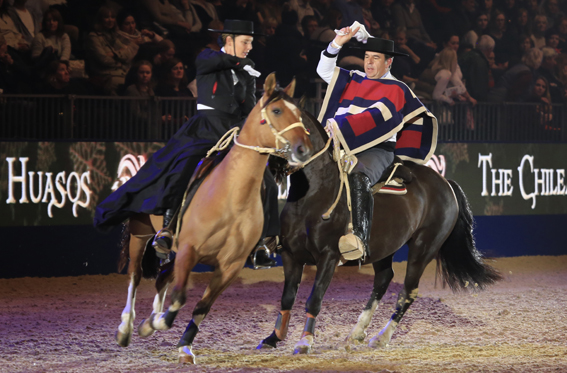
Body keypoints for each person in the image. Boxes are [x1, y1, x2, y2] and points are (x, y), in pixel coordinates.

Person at [94, 20, 277, 269]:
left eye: (251, 43)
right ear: (228, 40)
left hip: (234, 130)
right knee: (185, 166)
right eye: (246, 42)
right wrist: (244, 64)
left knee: (266, 180)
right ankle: (167, 229)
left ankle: (263, 243)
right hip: (205, 127)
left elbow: (248, 107)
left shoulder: (246, 70)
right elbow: (221, 62)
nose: (249, 47)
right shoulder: (207, 57)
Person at [315, 26, 437, 261]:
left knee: (358, 175)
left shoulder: (398, 88)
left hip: (376, 149)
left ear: (388, 62)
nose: (369, 63)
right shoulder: (353, 78)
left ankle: (359, 238)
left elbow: (377, 117)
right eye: (367, 58)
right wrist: (337, 44)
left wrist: (339, 126)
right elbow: (324, 70)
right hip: (340, 143)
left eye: (376, 59)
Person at [85, 6, 138, 95]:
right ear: (100, 19)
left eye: (112, 17)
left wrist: (115, 54)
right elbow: (103, 59)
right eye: (107, 17)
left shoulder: (115, 35)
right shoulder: (93, 37)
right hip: (107, 75)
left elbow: (128, 55)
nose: (110, 20)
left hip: (123, 72)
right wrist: (119, 62)